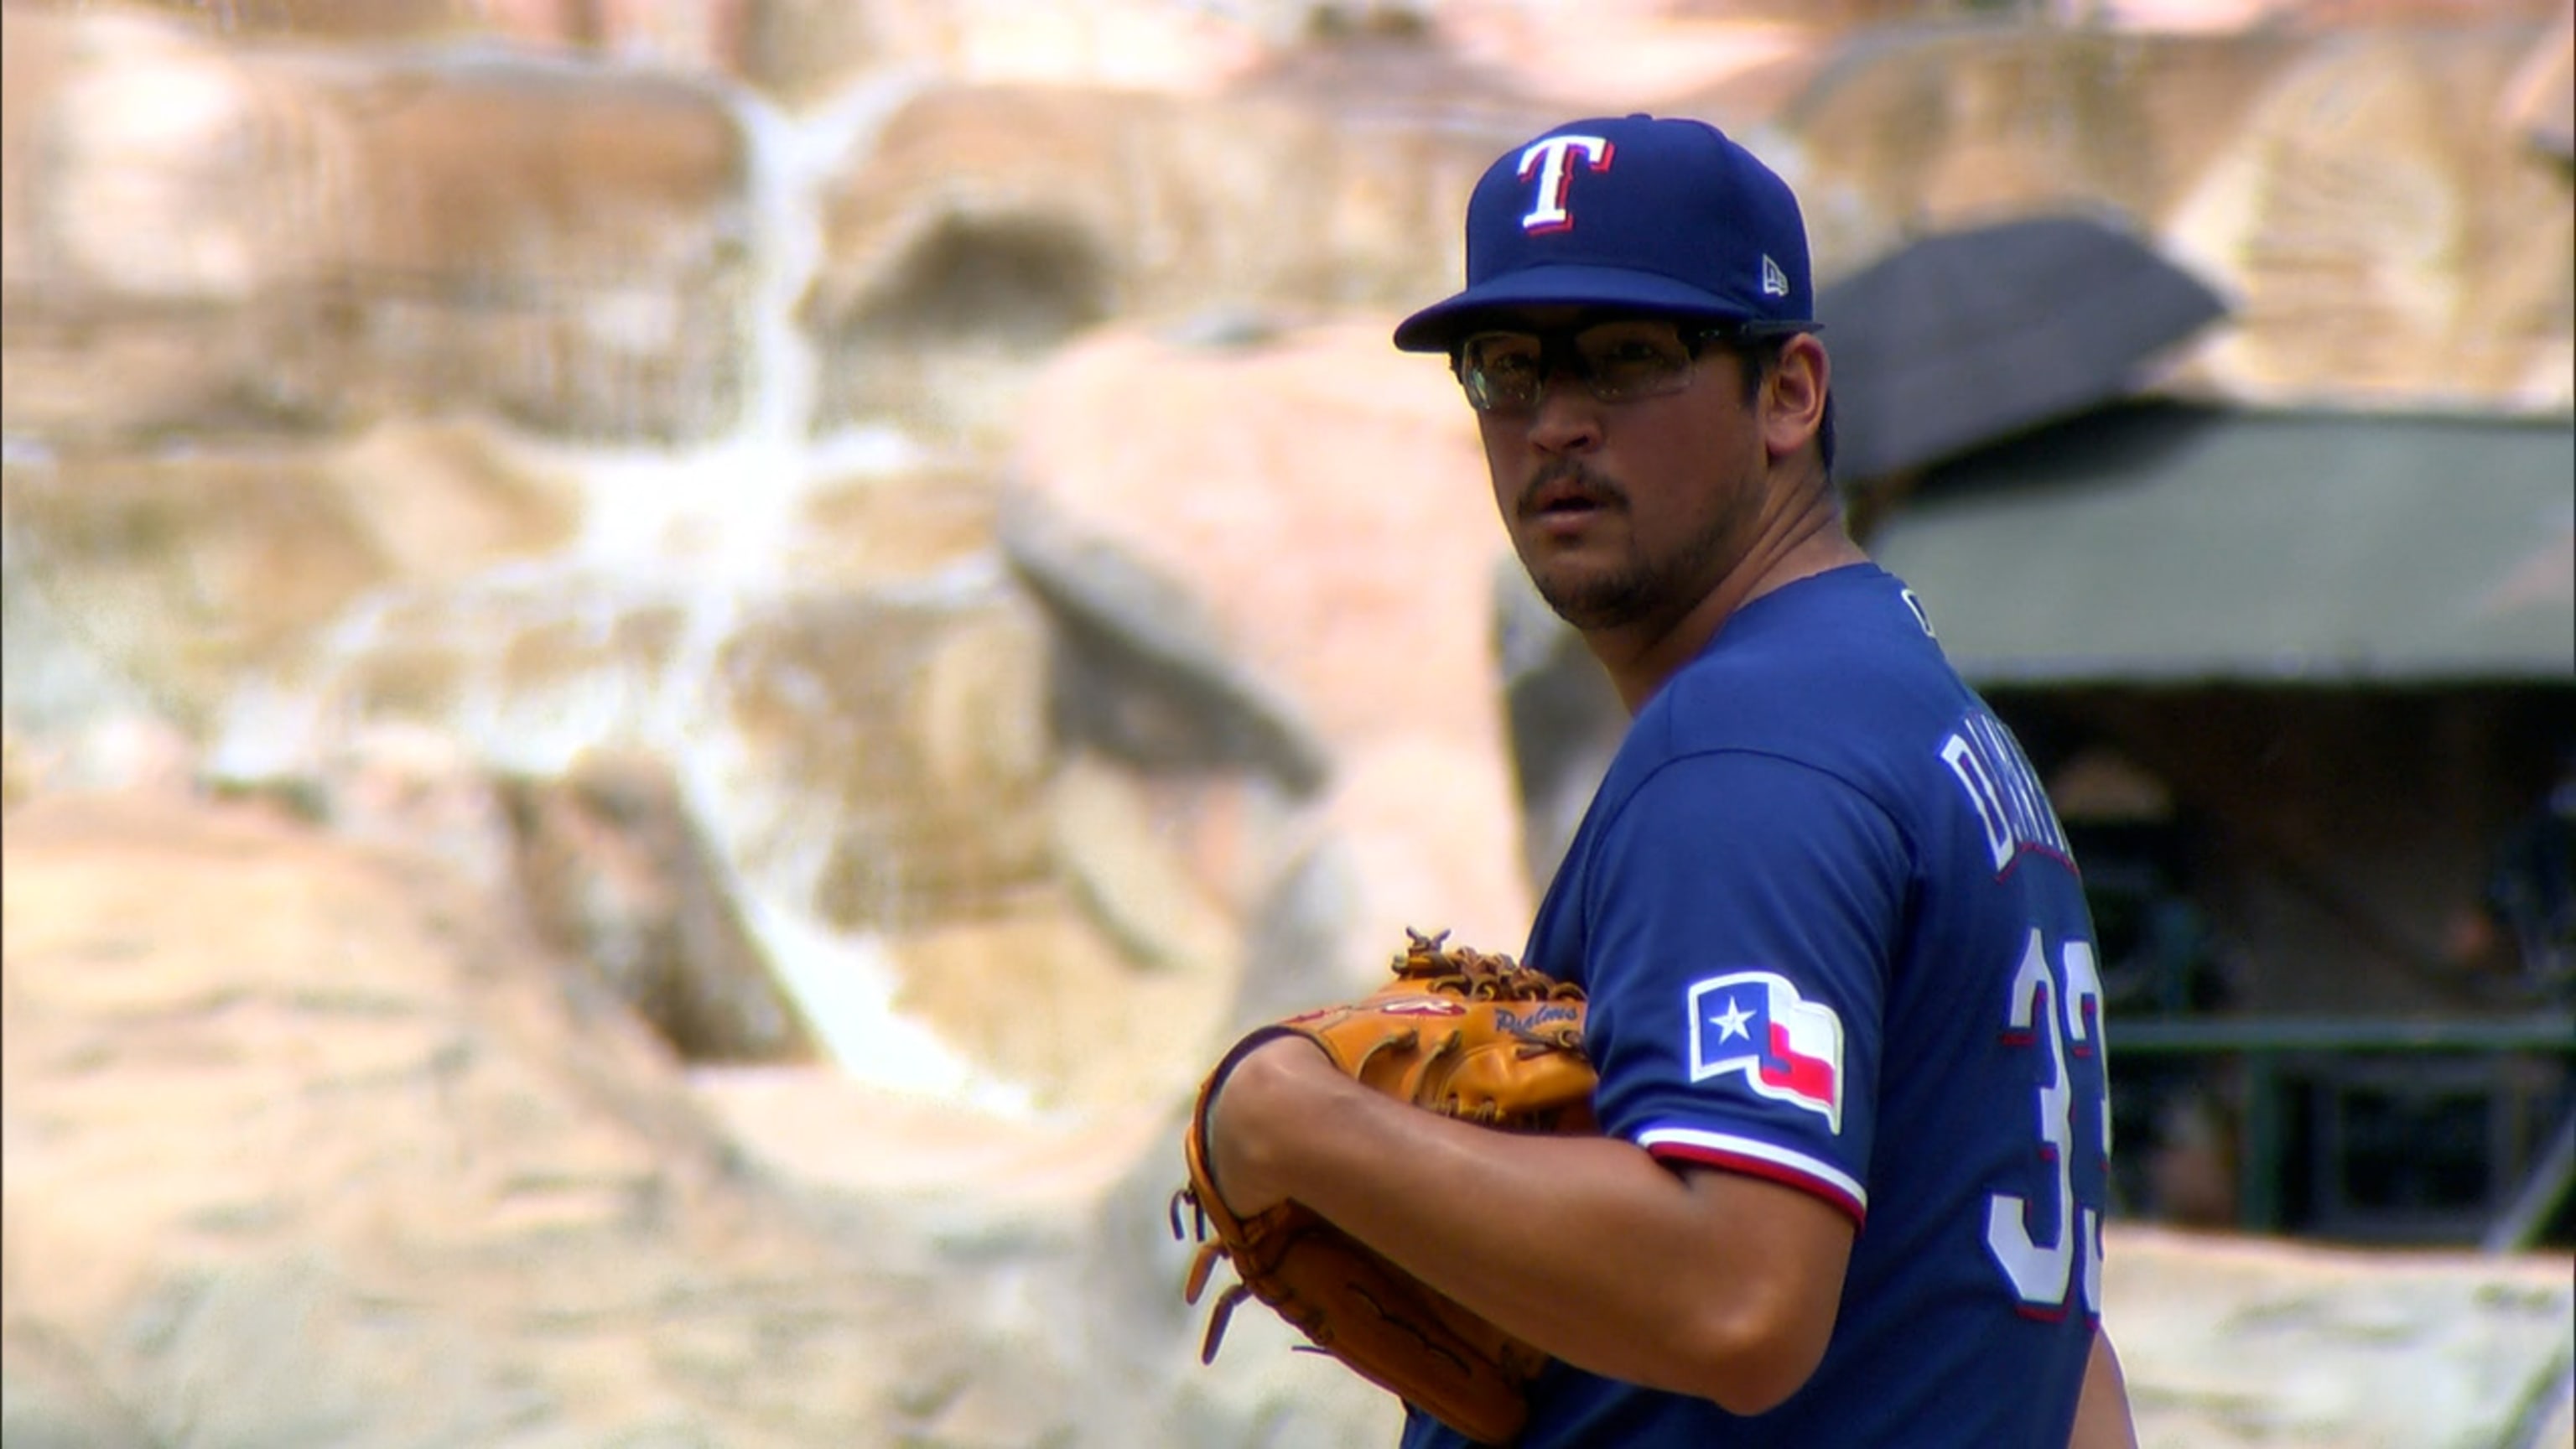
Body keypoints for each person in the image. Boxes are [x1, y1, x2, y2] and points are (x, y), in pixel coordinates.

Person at [1200, 113, 2140, 1446]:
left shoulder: (1748, 753)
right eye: (1507, 368)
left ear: (1790, 393)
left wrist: (1289, 1121)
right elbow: (2068, 1361)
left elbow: (1740, 1302)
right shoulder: (1918, 722)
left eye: (1629, 358)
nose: (1556, 423)